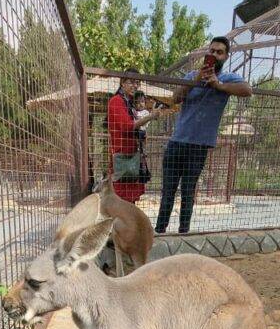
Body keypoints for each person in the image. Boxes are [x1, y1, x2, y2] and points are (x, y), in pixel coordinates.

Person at [155, 36, 252, 234]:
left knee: (188, 191)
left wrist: (219, 86)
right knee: (168, 191)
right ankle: (160, 231)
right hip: (177, 142)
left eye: (219, 52)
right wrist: (198, 79)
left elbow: (247, 90)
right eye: (211, 51)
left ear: (225, 57)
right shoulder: (192, 75)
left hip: (199, 146)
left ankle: (184, 232)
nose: (214, 55)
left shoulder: (228, 79)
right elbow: (175, 98)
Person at [106, 69, 159, 204]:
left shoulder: (129, 103)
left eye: (137, 83)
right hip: (123, 157)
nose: (135, 86)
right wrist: (150, 117)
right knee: (121, 199)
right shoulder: (116, 101)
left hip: (132, 156)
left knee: (129, 199)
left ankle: (128, 224)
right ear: (122, 83)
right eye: (131, 82)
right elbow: (127, 126)